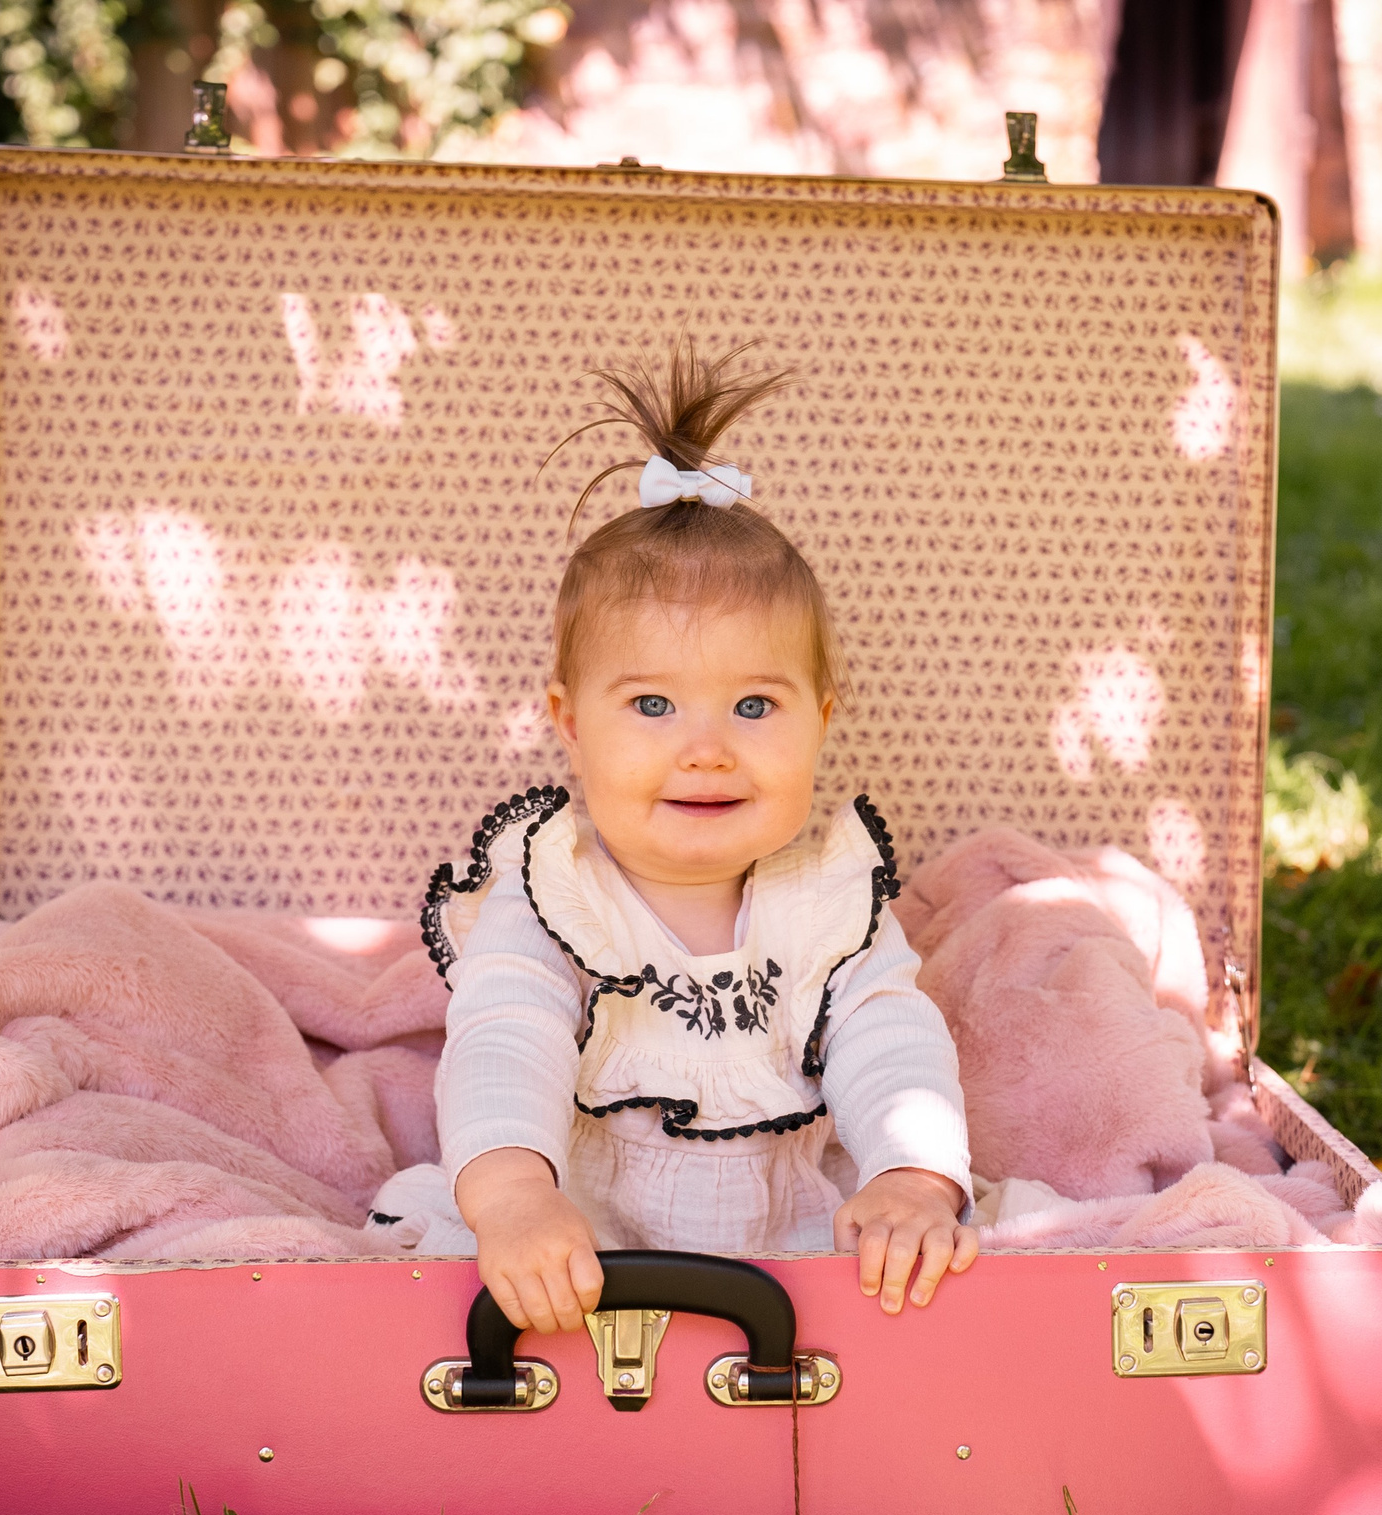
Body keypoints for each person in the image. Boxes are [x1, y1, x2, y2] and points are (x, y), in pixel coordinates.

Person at [409, 341, 977, 1338]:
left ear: (823, 719)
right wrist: (509, 1202)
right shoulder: (558, 891)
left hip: (795, 1239)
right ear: (571, 722)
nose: (707, 751)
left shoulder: (831, 898)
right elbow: (506, 1037)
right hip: (571, 1236)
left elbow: (891, 1039)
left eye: (755, 704)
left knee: (930, 1273)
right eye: (654, 704)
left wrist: (912, 1180)